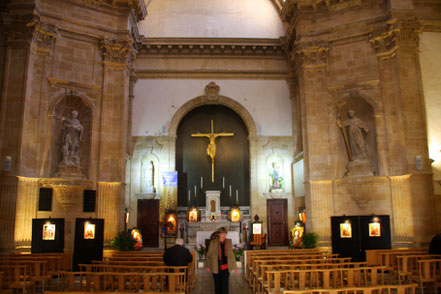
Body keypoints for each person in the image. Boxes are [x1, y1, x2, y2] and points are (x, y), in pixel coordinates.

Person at [205, 227, 239, 294]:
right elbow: (209, 255)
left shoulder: (229, 242)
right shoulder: (213, 242)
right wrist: (208, 265)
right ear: (219, 234)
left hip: (226, 267)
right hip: (216, 267)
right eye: (222, 233)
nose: (224, 235)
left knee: (225, 286)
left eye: (225, 233)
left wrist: (235, 268)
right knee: (217, 286)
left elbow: (231, 255)